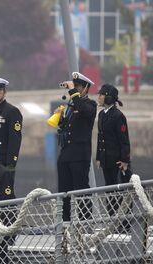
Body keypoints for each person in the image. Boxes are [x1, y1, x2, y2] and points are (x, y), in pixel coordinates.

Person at [55, 72, 97, 221]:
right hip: (66, 153)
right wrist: (60, 119)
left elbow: (84, 110)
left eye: (78, 86)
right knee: (64, 192)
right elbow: (66, 128)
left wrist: (73, 92)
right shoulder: (71, 106)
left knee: (82, 191)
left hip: (80, 155)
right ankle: (65, 223)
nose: (76, 89)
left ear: (86, 88)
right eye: (74, 86)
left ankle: (85, 222)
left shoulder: (90, 104)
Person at [96, 84, 132, 222]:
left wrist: (124, 160)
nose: (98, 97)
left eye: (101, 94)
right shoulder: (101, 114)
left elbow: (124, 140)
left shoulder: (118, 116)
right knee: (109, 191)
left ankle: (124, 223)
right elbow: (101, 137)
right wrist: (99, 157)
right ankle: (113, 220)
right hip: (106, 160)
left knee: (120, 192)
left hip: (117, 161)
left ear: (109, 97)